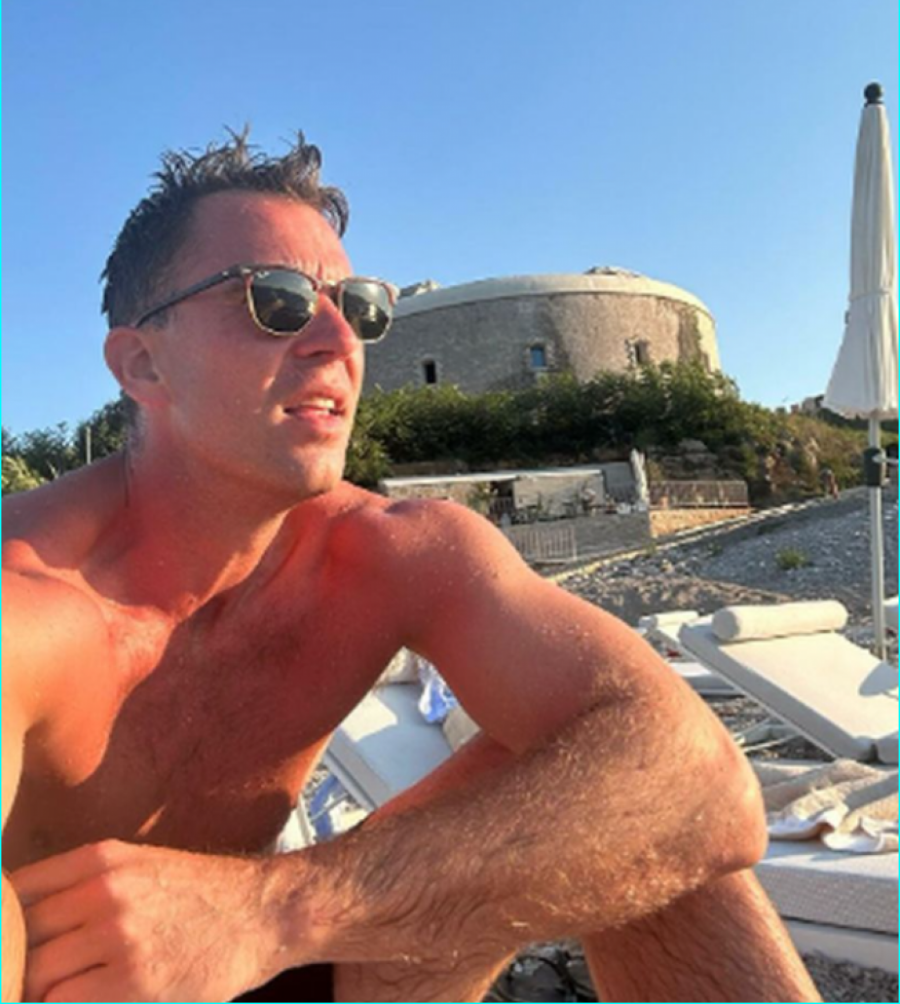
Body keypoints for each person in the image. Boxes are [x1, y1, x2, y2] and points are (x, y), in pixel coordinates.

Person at [2, 132, 821, 1003]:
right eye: (275, 300)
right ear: (142, 363)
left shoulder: (393, 551)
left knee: (625, 805)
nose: (338, 341)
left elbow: (706, 788)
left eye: (359, 309)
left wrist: (276, 909)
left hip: (253, 950)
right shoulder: (27, 608)